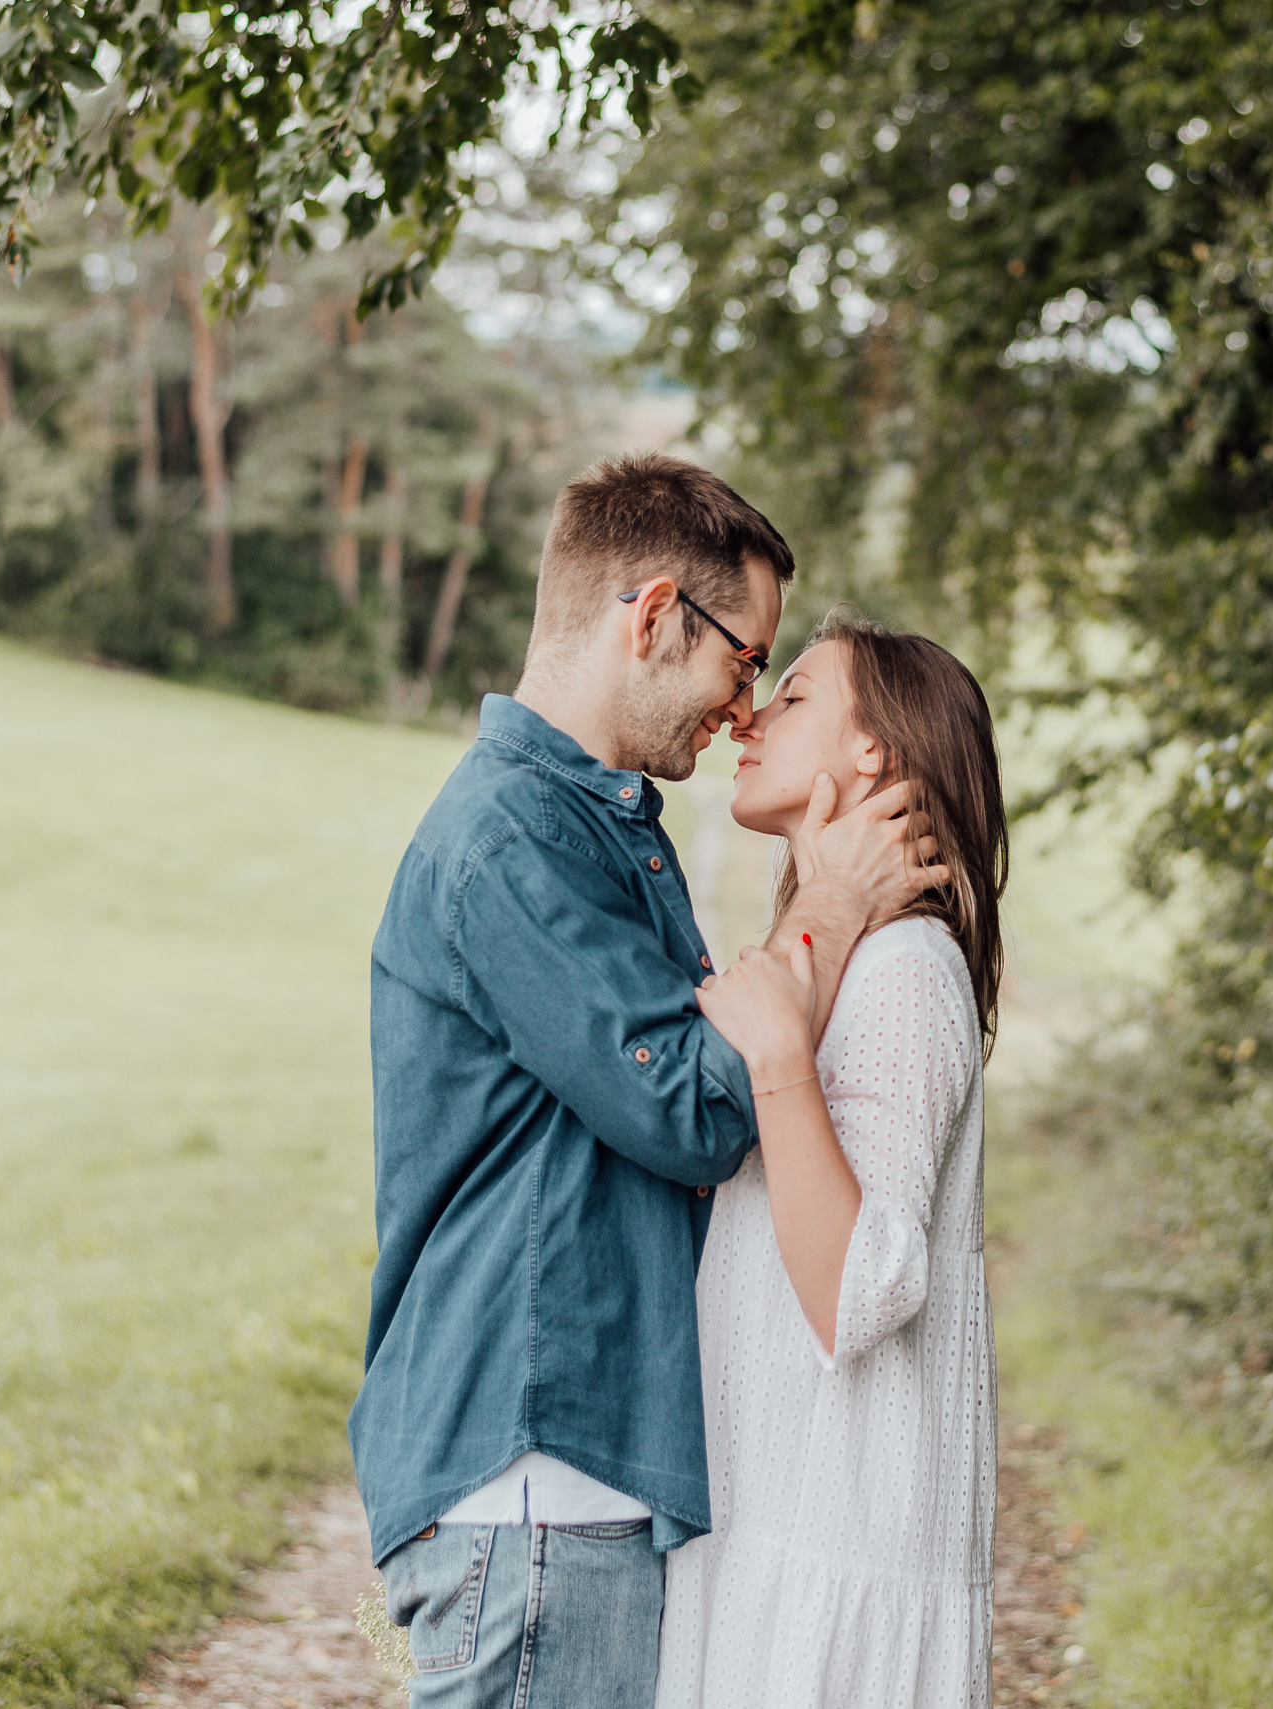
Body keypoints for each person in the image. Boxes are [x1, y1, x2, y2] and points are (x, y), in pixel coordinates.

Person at [354, 457, 948, 1709]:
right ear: (654, 614)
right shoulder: (514, 838)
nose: (743, 710)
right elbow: (686, 1105)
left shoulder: (592, 824)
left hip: (561, 1475)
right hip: (533, 1463)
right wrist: (832, 913)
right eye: (745, 662)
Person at [655, 612, 1009, 1709]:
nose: (751, 715)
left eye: (794, 694)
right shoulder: (845, 956)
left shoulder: (903, 968)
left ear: (877, 754)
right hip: (767, 1528)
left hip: (825, 1566)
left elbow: (861, 1285)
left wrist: (775, 1060)